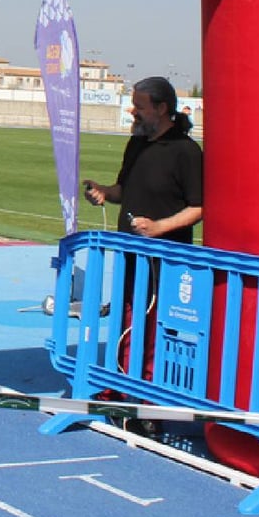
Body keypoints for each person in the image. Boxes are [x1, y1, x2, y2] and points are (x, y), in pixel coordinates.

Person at [83, 76, 203, 427]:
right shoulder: (136, 144)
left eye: (139, 106)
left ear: (162, 108)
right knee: (126, 321)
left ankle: (149, 404)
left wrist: (159, 227)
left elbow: (200, 206)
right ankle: (118, 389)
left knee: (154, 328)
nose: (132, 112)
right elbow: (125, 189)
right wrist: (104, 192)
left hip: (165, 259)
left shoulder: (186, 152)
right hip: (129, 254)